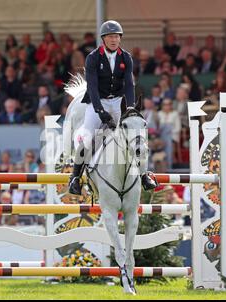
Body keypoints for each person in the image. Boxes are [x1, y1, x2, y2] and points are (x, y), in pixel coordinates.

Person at [67, 20, 158, 195]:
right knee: (88, 138)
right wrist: (100, 111)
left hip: (117, 101)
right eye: (110, 37)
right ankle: (75, 178)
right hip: (96, 101)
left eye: (116, 36)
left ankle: (144, 175)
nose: (114, 40)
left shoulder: (126, 57)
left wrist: (130, 108)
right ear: (103, 39)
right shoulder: (93, 58)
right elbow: (92, 87)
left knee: (134, 134)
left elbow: (129, 85)